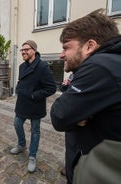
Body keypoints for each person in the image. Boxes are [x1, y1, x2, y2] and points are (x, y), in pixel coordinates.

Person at [50, 9, 121, 183]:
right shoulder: (112, 62)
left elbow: (59, 116)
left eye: (66, 47)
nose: (61, 54)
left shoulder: (99, 66)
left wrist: (76, 114)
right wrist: (79, 113)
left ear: (90, 46)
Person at [10, 40, 56, 172]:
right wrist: (19, 89)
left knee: (35, 131)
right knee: (17, 123)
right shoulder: (21, 66)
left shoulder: (43, 67)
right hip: (22, 103)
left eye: (26, 49)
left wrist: (34, 95)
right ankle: (21, 145)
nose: (23, 52)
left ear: (34, 50)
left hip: (35, 104)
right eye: (22, 50)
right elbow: (21, 81)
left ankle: (32, 156)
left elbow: (51, 88)